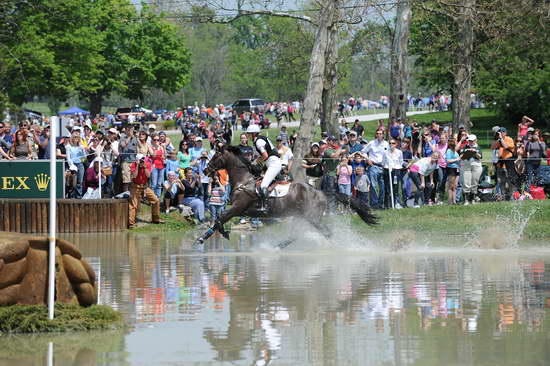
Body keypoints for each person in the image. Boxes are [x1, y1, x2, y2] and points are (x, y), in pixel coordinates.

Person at [246, 124, 281, 211]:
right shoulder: (260, 139)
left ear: (254, 134)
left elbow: (265, 156)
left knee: (263, 185)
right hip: (271, 163)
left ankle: (266, 206)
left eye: (249, 134)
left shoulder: (258, 142)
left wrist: (257, 161)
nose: (248, 136)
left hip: (273, 164)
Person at [128, 154, 163, 228]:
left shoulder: (147, 164)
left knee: (156, 200)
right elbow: (134, 176)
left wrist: (145, 167)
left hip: (144, 186)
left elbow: (149, 175)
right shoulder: (133, 165)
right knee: (133, 205)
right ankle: (131, 223)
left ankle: (155, 219)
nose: (142, 161)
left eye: (143, 159)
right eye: (141, 160)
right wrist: (137, 166)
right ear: (137, 160)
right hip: (135, 186)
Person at [363, 130, 389, 209]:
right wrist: (367, 159)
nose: (378, 135)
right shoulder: (371, 143)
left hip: (383, 167)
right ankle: (374, 204)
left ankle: (381, 204)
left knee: (382, 187)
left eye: (380, 133)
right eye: (377, 133)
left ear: (383, 135)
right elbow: (363, 151)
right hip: (373, 166)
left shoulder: (386, 144)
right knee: (373, 186)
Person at [493, 127, 517, 200]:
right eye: (500, 132)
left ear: (505, 133)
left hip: (509, 162)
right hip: (501, 164)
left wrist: (501, 139)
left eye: (503, 132)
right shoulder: (499, 140)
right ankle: (503, 196)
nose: (501, 133)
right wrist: (497, 139)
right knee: (501, 181)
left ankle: (511, 195)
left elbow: (505, 146)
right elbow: (493, 147)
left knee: (510, 180)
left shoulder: (509, 139)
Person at [459, 134, 483, 205]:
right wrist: (466, 152)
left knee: (474, 182)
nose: (470, 142)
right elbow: (461, 156)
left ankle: (473, 199)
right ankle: (466, 200)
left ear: (475, 141)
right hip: (466, 165)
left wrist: (474, 152)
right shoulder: (464, 147)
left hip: (476, 165)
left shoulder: (478, 147)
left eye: (472, 141)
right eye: (469, 141)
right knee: (466, 182)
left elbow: (480, 157)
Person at [383, 139, 404, 208]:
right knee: (387, 188)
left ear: (396, 144)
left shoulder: (399, 152)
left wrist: (396, 167)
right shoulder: (385, 152)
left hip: (396, 171)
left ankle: (395, 203)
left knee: (395, 187)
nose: (391, 144)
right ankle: (387, 205)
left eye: (393, 143)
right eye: (390, 143)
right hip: (387, 171)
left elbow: (401, 162)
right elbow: (383, 162)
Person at [119, 125, 138, 193]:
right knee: (126, 180)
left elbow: (138, 148)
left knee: (133, 179)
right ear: (126, 130)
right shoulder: (122, 137)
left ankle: (133, 195)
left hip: (134, 161)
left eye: (132, 130)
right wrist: (129, 137)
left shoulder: (135, 138)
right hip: (125, 161)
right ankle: (125, 195)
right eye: (129, 130)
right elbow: (123, 145)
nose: (131, 131)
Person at [445, 139, 460, 204]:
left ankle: (454, 201)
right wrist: (457, 159)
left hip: (457, 169)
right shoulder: (448, 151)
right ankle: (450, 201)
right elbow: (448, 161)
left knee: (455, 185)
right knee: (451, 186)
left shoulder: (455, 151)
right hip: (451, 169)